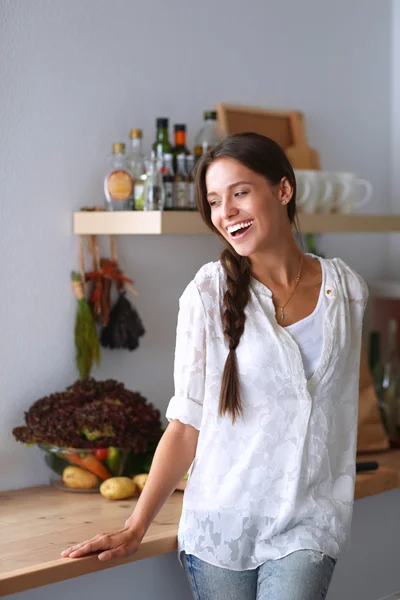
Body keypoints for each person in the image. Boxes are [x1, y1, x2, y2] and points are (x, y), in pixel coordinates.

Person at [61, 133, 368, 600]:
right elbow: (187, 424)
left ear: (283, 191)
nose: (227, 212)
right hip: (219, 526)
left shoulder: (348, 292)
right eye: (214, 201)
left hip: (309, 522)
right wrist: (136, 525)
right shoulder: (207, 294)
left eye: (240, 192)